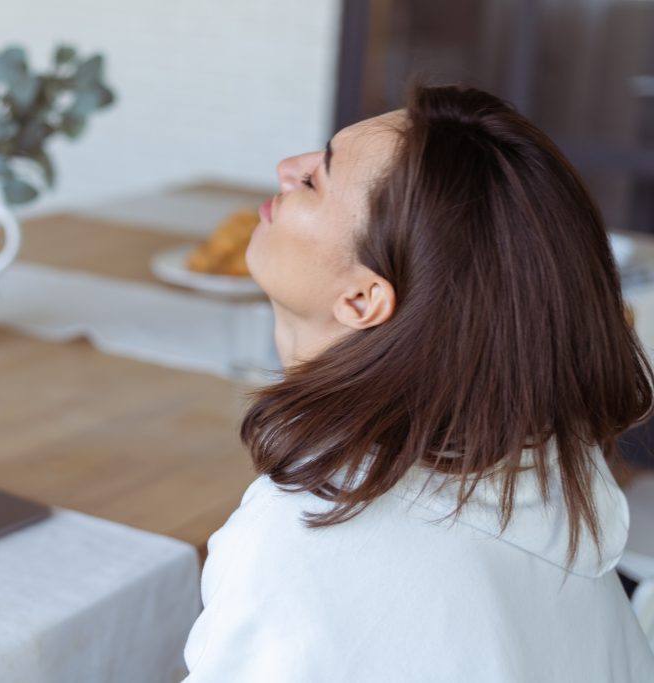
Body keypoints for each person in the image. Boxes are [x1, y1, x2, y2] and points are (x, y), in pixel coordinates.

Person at [182, 84, 654, 681]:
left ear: (361, 299)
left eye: (315, 181)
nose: (286, 169)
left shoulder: (298, 539)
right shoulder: (546, 475)